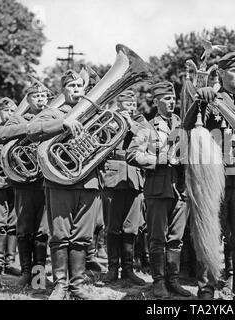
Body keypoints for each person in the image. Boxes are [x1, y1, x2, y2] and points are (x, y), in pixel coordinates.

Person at [183, 52, 235, 300]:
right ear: (221, 74)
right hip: (214, 179)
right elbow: (186, 128)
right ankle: (207, 289)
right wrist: (200, 102)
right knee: (210, 233)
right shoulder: (211, 97)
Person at [26, 70, 101, 300]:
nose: (76, 90)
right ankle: (61, 285)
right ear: (63, 90)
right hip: (59, 182)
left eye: (80, 86)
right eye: (72, 86)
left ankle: (76, 286)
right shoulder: (51, 113)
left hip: (88, 181)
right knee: (60, 235)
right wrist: (63, 123)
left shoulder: (95, 112)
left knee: (82, 237)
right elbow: (30, 131)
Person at [126, 81, 191, 298]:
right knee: (157, 238)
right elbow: (132, 154)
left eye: (173, 98)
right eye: (167, 98)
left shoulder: (183, 125)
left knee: (176, 239)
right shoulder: (148, 126)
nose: (172, 102)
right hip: (157, 189)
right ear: (156, 101)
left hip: (180, 190)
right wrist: (160, 159)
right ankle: (159, 281)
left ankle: (173, 280)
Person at [0, 84, 51, 287]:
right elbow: (1, 134)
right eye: (35, 96)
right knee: (24, 230)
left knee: (43, 232)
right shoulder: (20, 119)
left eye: (43, 95)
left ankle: (39, 278)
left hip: (47, 182)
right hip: (24, 184)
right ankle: (26, 273)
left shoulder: (53, 117)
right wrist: (30, 129)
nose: (40, 99)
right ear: (27, 100)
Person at [101, 90, 146, 286]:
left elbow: (145, 137)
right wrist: (115, 122)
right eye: (127, 104)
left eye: (133, 103)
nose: (132, 107)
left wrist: (130, 123)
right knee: (112, 227)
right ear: (119, 104)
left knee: (131, 227)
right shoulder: (109, 119)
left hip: (134, 179)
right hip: (112, 177)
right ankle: (112, 268)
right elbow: (101, 140)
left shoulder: (141, 122)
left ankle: (128, 269)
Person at [0, 98, 19, 277]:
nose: (10, 114)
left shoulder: (17, 132)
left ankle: (10, 262)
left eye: (13, 111)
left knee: (14, 223)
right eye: (6, 111)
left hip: (16, 183)